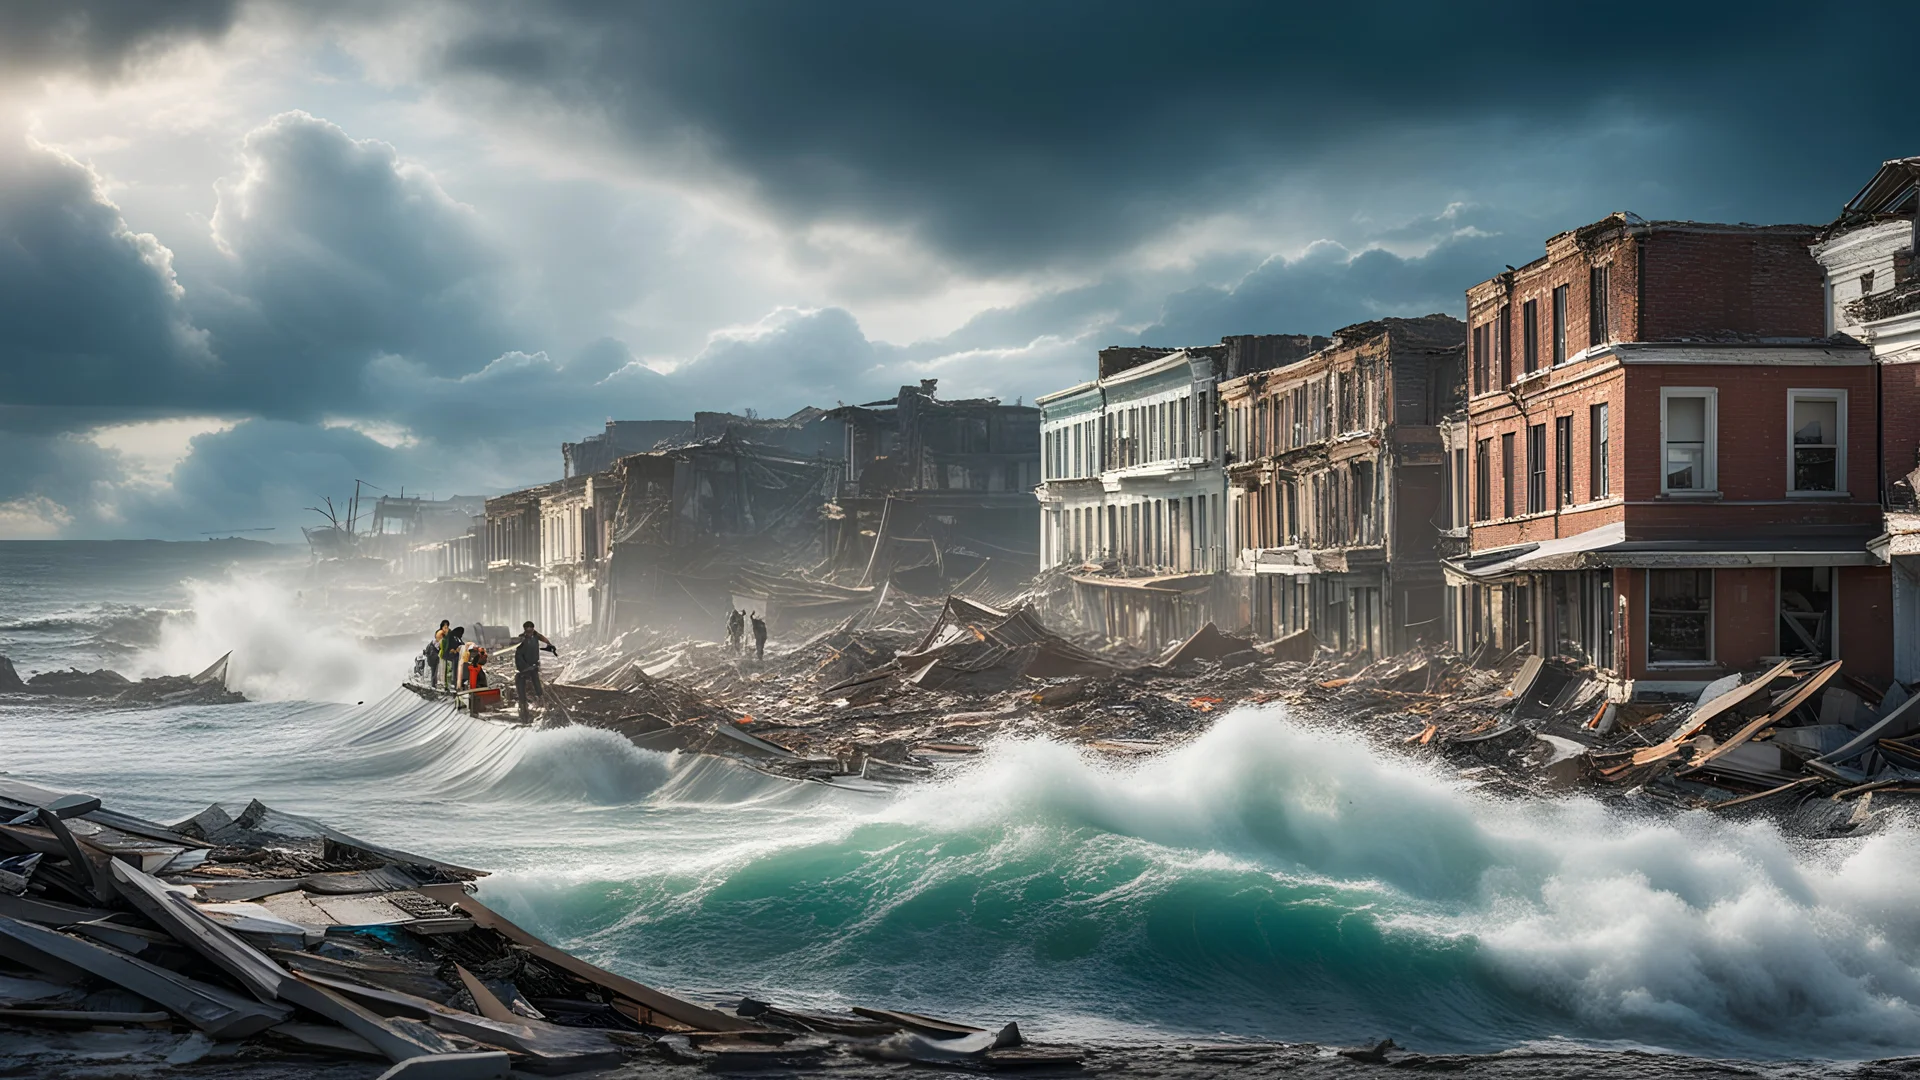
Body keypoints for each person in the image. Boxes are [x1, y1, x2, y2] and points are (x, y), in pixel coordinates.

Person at [514, 621, 556, 721]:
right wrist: (523, 666)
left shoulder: (536, 635)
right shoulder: (521, 638)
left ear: (533, 629)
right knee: (521, 683)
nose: (529, 632)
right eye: (527, 630)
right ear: (524, 630)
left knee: (536, 681)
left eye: (530, 629)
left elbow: (544, 639)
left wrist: (549, 644)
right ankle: (523, 705)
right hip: (523, 665)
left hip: (533, 664)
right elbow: (518, 653)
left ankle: (540, 699)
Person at [441, 626, 465, 691]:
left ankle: (458, 683)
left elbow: (462, 644)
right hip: (451, 656)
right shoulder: (451, 638)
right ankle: (453, 684)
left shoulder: (457, 638)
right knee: (453, 670)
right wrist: (454, 650)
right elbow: (449, 647)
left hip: (458, 656)